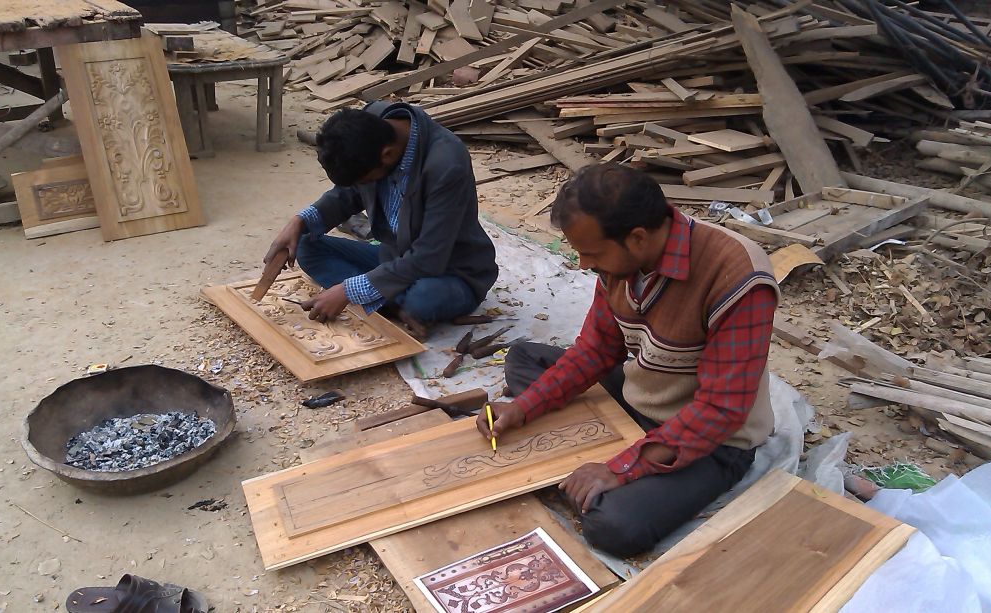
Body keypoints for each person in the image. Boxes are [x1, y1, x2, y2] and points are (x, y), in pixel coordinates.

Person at [477, 164, 780, 557]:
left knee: (614, 526)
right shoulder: (619, 263)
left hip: (714, 438)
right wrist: (522, 408)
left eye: (591, 253)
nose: (584, 265)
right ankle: (616, 446)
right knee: (524, 357)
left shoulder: (737, 275)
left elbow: (721, 409)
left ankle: (620, 459)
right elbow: (596, 349)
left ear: (637, 238)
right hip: (643, 393)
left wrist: (619, 468)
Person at [264, 102, 499, 337]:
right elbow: (346, 194)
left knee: (422, 300)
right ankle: (394, 302)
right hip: (394, 257)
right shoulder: (370, 123)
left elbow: (429, 258)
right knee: (306, 244)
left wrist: (347, 291)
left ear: (387, 154)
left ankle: (395, 301)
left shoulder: (446, 163)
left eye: (365, 181)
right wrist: (299, 221)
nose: (362, 186)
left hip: (450, 269)